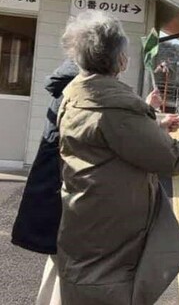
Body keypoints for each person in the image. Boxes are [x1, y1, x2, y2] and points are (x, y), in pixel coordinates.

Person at [39, 10, 179, 305]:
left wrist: (154, 125)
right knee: (105, 290)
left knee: (80, 284)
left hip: (82, 220)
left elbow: (100, 141)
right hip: (112, 234)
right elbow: (172, 159)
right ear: (120, 60)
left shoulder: (74, 96)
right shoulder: (116, 110)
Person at [11, 61, 163, 256]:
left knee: (61, 271)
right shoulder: (86, 92)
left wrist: (150, 115)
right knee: (72, 275)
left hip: (56, 201)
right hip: (71, 205)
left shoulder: (70, 87)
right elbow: (115, 134)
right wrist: (149, 113)